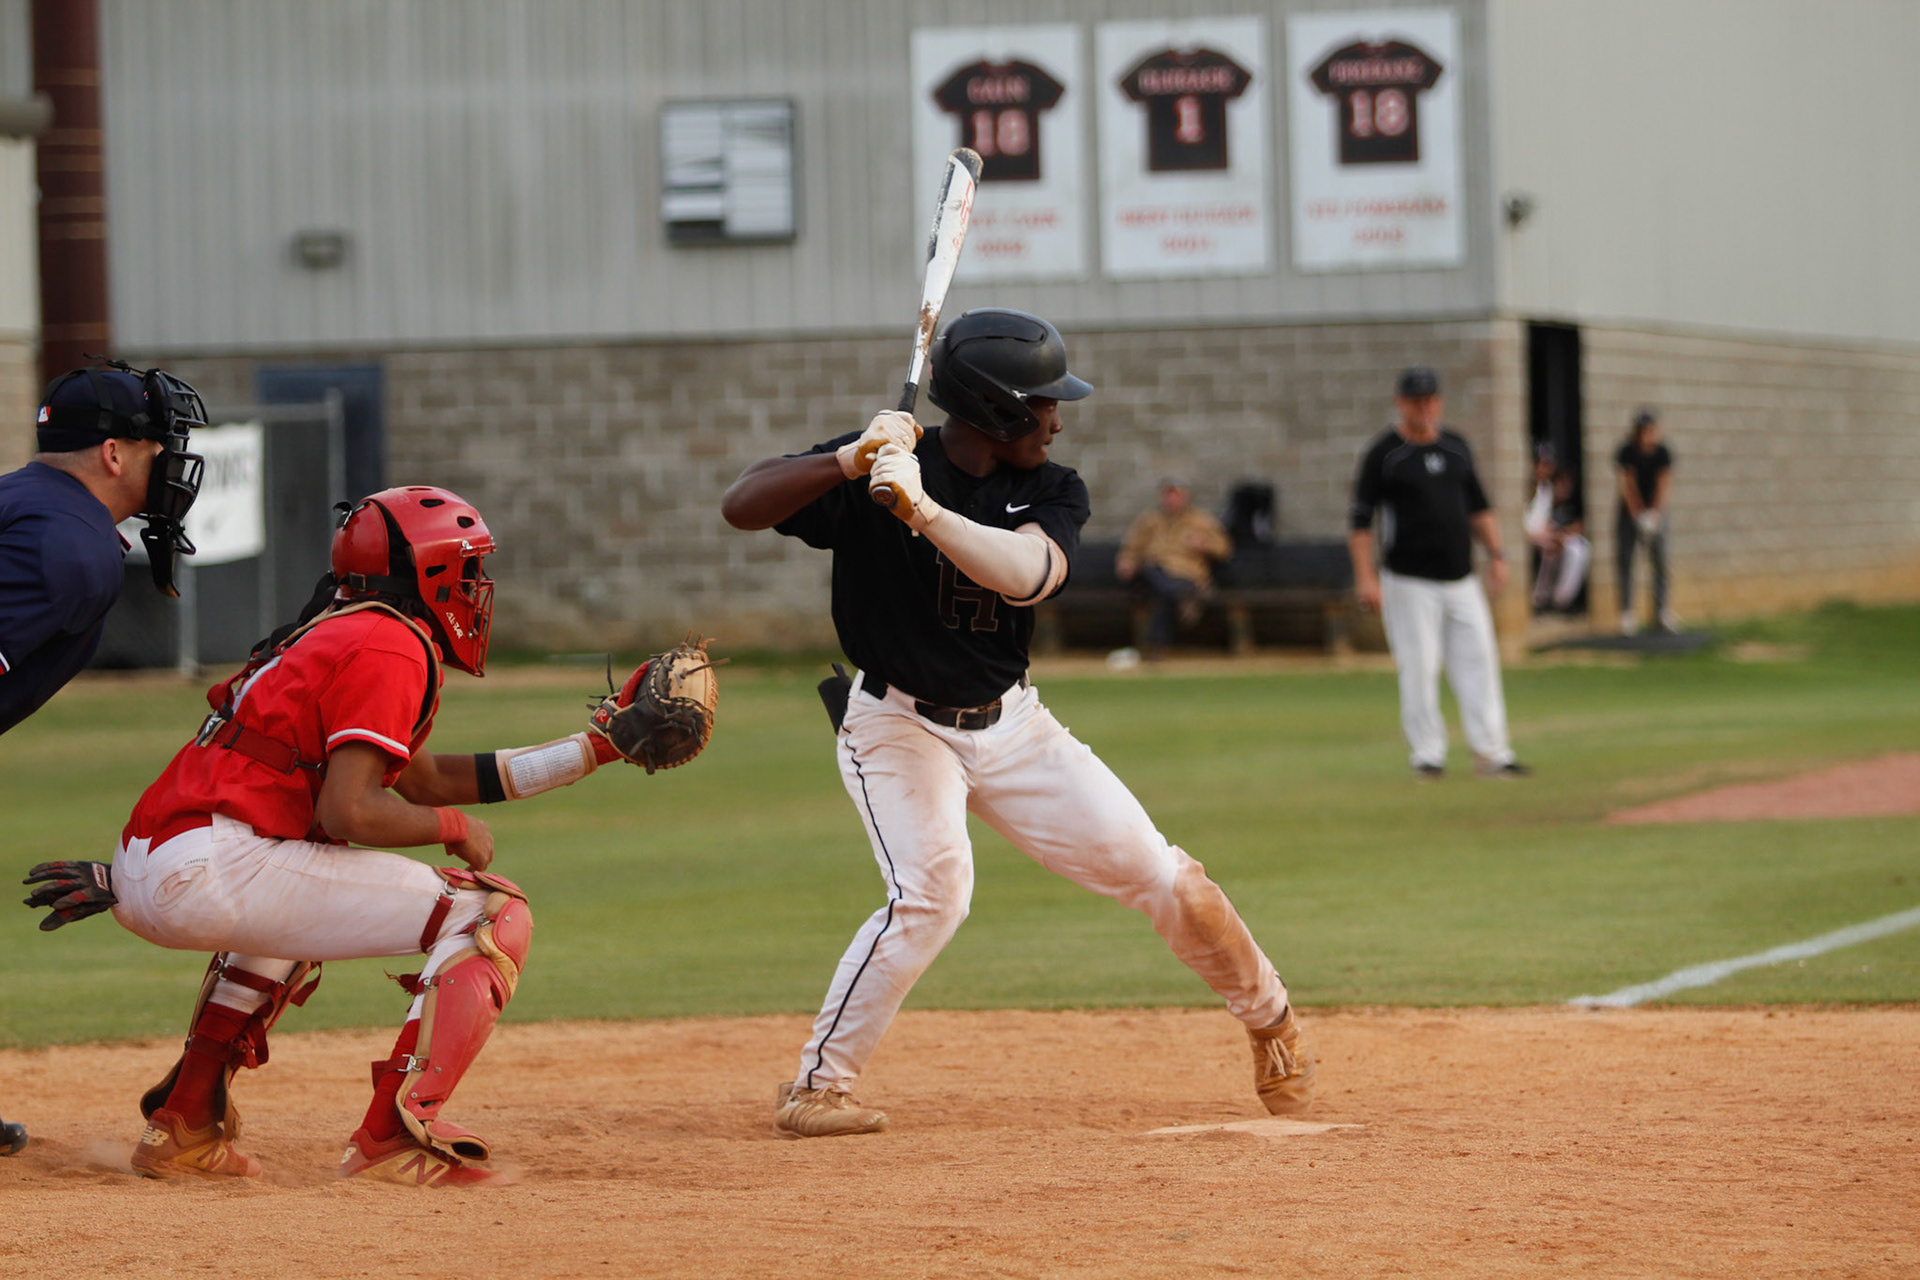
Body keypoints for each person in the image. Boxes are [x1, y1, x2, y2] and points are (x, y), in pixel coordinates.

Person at [720, 307, 1313, 1138]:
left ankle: (1269, 1017)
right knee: (934, 893)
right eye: (1043, 403)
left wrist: (923, 513)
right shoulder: (883, 460)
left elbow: (1030, 573)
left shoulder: (1051, 487)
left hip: (1015, 725)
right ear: (995, 410)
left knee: (1165, 876)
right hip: (896, 725)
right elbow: (741, 505)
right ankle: (818, 1087)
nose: (1057, 419)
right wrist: (846, 461)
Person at [21, 486, 654, 1186]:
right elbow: (352, 809)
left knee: (302, 886)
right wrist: (454, 828)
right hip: (210, 864)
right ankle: (393, 1138)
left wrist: (593, 751)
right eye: (468, 568)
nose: (477, 586)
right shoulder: (392, 643)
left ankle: (186, 1121)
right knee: (491, 915)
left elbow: (424, 779)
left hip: (154, 861)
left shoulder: (341, 628)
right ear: (431, 571)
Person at [0, 360, 208, 1157]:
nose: (170, 464)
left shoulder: (33, 505)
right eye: (157, 446)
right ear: (114, 454)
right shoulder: (68, 546)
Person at [1348, 366, 1529, 780]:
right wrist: (1365, 576)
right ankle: (1427, 754)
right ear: (1401, 403)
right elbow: (1360, 521)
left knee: (1479, 661)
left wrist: (1498, 554)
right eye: (1416, 401)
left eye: (1430, 399)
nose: (1424, 408)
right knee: (1420, 665)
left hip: (1461, 577)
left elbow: (1479, 508)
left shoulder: (1456, 448)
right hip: (1409, 579)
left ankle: (1491, 752)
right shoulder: (1385, 454)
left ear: (1440, 401)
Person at [1115, 477, 1234, 655]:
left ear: (1186, 498)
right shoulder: (1150, 520)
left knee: (1163, 595)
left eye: (1176, 496)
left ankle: (1157, 646)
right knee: (1152, 573)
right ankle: (1184, 597)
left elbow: (1225, 549)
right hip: (1152, 572)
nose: (1171, 500)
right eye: (1168, 496)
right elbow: (1131, 547)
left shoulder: (1201, 521)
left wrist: (1205, 544)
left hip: (1186, 575)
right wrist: (1127, 561)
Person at [1615, 408, 1676, 634]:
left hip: (1656, 512)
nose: (1645, 435)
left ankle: (1662, 611)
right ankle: (1627, 613)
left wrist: (1654, 514)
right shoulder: (1627, 452)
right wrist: (1638, 514)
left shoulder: (1663, 453)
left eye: (1649, 430)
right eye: (1641, 431)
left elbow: (1663, 483)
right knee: (1626, 561)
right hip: (1630, 513)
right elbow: (1627, 483)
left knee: (1661, 561)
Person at [1523, 452, 1590, 614]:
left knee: (1579, 547)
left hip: (1543, 535)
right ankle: (1540, 600)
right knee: (1550, 551)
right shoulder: (1523, 486)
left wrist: (1558, 534)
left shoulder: (1546, 488)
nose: (1544, 469)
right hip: (1528, 537)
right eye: (1541, 464)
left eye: (1547, 465)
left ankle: (1561, 600)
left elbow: (1544, 520)